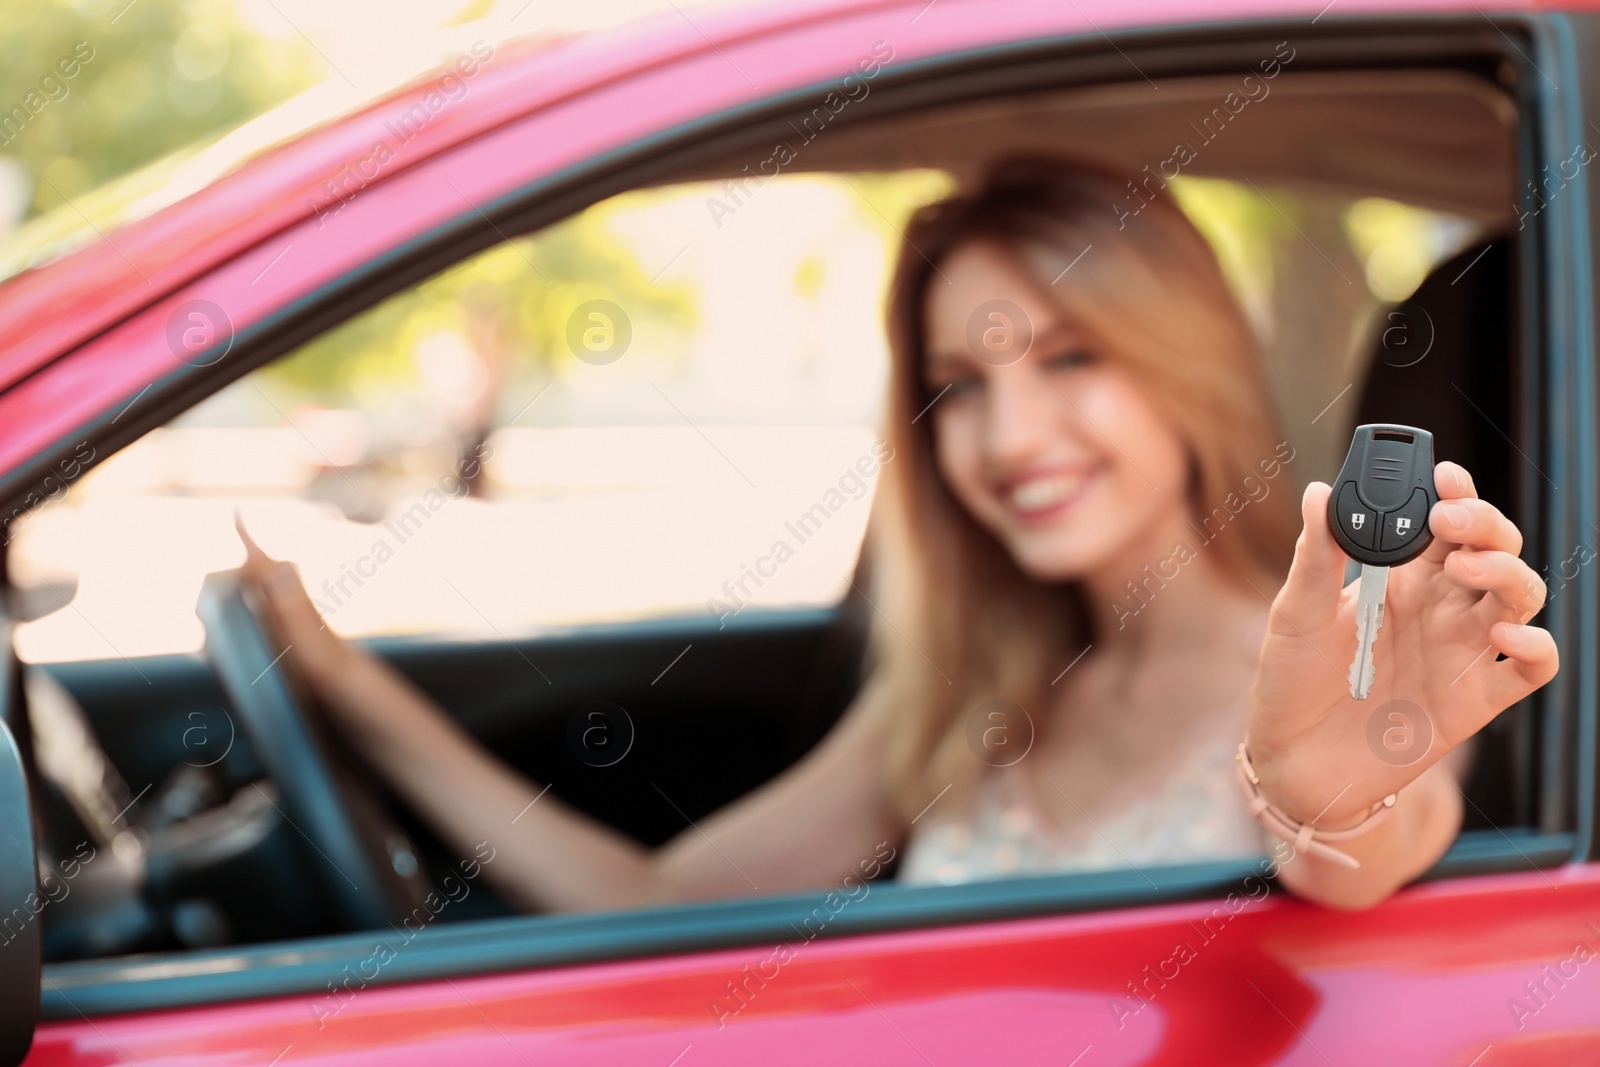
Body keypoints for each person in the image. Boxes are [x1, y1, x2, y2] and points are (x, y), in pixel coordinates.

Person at [237, 157, 1556, 914]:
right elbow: (650, 911)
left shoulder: (1344, 667)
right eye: (962, 385)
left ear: (1184, 366)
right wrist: (345, 684)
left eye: (1072, 356)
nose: (1009, 435)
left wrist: (1331, 791)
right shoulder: (974, 692)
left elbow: (1367, 838)